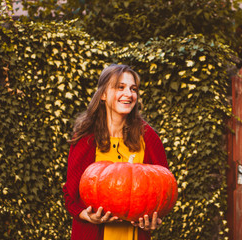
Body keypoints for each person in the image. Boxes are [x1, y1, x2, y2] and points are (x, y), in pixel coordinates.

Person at [62, 64, 169, 240]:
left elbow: (163, 192)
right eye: (120, 87)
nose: (129, 93)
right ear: (103, 94)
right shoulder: (86, 138)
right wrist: (86, 215)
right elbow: (70, 195)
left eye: (133, 88)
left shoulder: (148, 137)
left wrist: (156, 219)